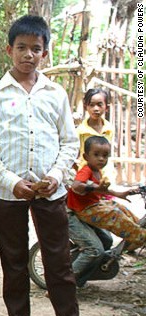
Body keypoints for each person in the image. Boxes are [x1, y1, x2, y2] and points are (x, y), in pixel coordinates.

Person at [0, 15, 95, 316]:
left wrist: (56, 176)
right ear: (8, 49)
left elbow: (69, 142)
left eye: (36, 49)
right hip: (7, 194)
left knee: (57, 260)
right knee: (13, 261)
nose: (29, 55)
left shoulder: (55, 94)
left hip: (50, 191)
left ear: (46, 52)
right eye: (22, 48)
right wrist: (11, 182)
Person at [69, 88, 114, 285]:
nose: (96, 108)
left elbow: (107, 158)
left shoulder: (109, 128)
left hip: (100, 183)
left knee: (107, 238)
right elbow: (73, 158)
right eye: (92, 104)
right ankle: (65, 282)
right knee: (95, 246)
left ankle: (84, 274)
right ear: (86, 106)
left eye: (100, 104)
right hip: (84, 185)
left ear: (107, 106)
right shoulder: (80, 132)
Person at [67, 136, 146, 250]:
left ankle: (137, 230)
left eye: (105, 156)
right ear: (86, 156)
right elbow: (76, 186)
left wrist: (120, 194)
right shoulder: (86, 170)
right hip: (84, 210)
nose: (101, 159)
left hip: (93, 205)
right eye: (96, 155)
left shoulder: (97, 171)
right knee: (114, 214)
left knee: (119, 207)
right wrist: (94, 187)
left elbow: (101, 190)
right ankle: (140, 236)